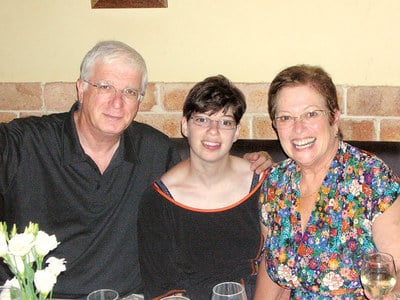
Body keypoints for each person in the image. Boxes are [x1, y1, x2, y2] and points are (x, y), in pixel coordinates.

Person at [0, 41, 271, 299]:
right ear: (81, 88)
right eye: (105, 86)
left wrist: (254, 163)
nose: (117, 102)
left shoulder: (153, 150)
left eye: (129, 92)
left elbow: (205, 178)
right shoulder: (24, 143)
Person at [254, 64, 400, 299]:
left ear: (334, 118)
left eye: (311, 114)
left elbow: (397, 270)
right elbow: (273, 271)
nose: (298, 128)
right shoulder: (275, 184)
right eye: (285, 117)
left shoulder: (371, 178)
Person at [137, 75, 267, 300]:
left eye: (225, 122)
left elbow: (278, 264)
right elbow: (162, 287)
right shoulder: (159, 200)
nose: (213, 131)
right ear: (185, 126)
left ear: (236, 132)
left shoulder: (262, 183)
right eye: (202, 120)